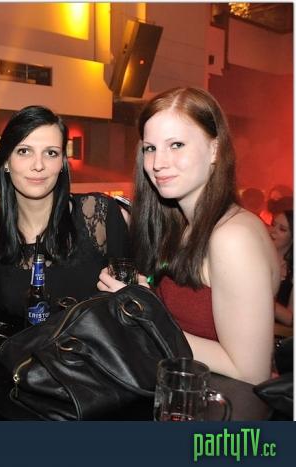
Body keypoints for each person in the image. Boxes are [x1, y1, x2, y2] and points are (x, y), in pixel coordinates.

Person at [98, 87, 280, 385]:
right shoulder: (186, 225)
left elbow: (250, 371)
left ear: (215, 149)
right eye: (150, 148)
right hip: (184, 395)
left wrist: (145, 318)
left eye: (177, 145)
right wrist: (143, 296)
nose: (158, 163)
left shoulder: (232, 237)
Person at [0, 105, 130, 317]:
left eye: (51, 153)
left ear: (62, 163)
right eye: (24, 151)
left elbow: (130, 306)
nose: (38, 165)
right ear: (6, 162)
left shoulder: (99, 215)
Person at [271, 209, 293, 327]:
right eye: (273, 224)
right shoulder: (257, 256)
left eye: (282, 229)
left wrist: (261, 298)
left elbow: (292, 320)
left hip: (278, 332)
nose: (273, 230)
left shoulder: (292, 271)